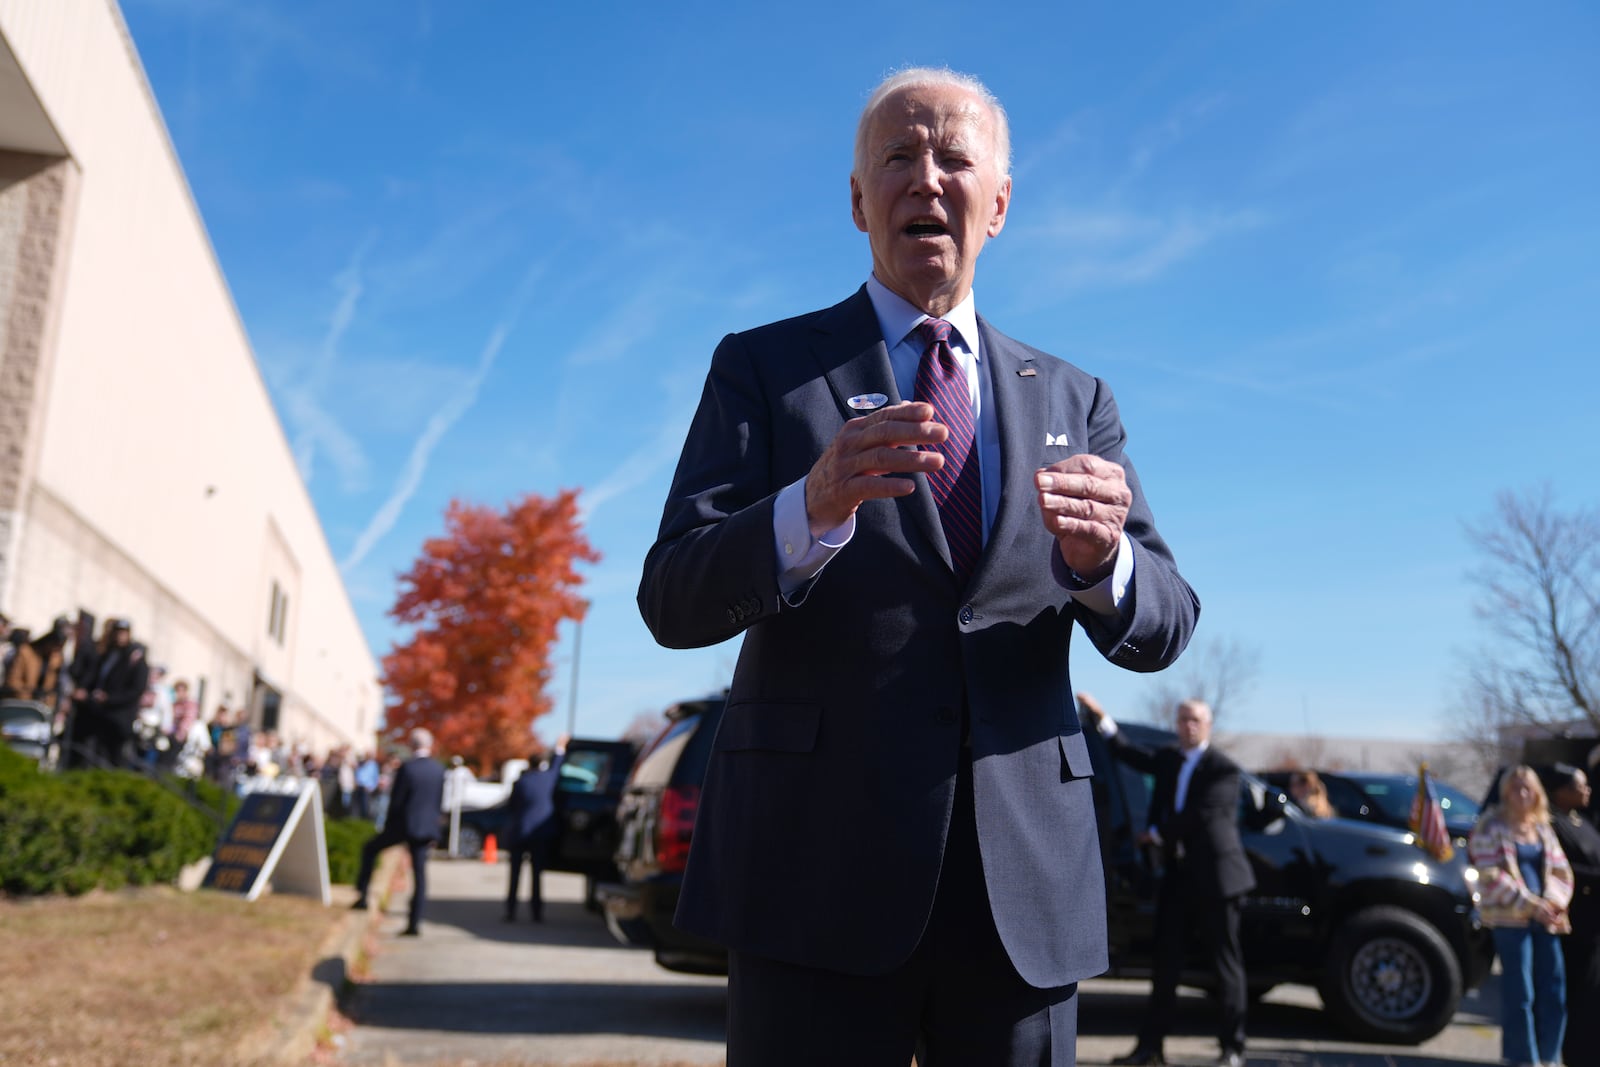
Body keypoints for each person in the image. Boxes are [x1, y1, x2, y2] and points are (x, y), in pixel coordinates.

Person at [638, 67, 1200, 1067]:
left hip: (1021, 889)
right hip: (813, 876)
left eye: (953, 157)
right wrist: (804, 510)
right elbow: (672, 594)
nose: (925, 178)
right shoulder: (765, 370)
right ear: (858, 199)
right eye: (896, 157)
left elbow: (1165, 618)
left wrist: (1103, 561)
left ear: (1000, 201)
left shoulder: (1076, 397)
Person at [1079, 693, 1252, 1067]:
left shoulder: (1222, 768)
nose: (1188, 726)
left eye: (1195, 720)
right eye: (1183, 719)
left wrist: (1155, 834)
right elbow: (1130, 754)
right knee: (1166, 964)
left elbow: (1201, 815)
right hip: (1178, 877)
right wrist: (1103, 720)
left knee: (1225, 963)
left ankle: (1232, 1049)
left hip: (1219, 879)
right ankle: (1150, 1049)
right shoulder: (1170, 759)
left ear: (1207, 726)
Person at [1469, 764, 1572, 1067]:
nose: (1522, 793)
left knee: (1554, 990)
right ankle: (1521, 1058)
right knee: (1520, 993)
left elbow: (1561, 871)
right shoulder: (1490, 825)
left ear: (1537, 793)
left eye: (1528, 787)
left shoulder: (1543, 829)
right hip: (1510, 919)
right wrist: (1530, 905)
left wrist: (1552, 902)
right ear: (1505, 792)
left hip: (1546, 920)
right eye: (1515, 787)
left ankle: (1548, 1057)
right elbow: (1489, 875)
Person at [351, 728, 445, 936]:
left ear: (412, 745)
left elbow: (397, 801)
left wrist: (389, 827)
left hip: (404, 826)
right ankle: (415, 922)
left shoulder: (408, 768)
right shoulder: (438, 770)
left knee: (370, 848)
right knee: (420, 875)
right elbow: (438, 802)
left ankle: (363, 896)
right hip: (425, 829)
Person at [1543, 763, 1598, 1067]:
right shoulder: (1553, 825)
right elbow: (1561, 872)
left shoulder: (1583, 822)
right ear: (1562, 792)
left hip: (1595, 927)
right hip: (1576, 926)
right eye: (1580, 786)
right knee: (1578, 995)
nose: (1586, 790)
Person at [504, 733, 569, 922]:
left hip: (520, 832)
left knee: (514, 875)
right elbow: (557, 764)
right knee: (536, 876)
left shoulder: (521, 782)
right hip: (540, 833)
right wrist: (560, 746)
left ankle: (511, 911)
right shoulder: (547, 779)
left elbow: (511, 807)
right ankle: (536, 912)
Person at [71, 619, 149, 769]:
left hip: (119, 718)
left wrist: (110, 699)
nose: (119, 637)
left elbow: (135, 690)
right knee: (93, 755)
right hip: (101, 714)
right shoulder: (109, 654)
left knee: (114, 759)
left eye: (123, 633)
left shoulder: (134, 658)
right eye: (117, 633)